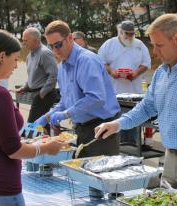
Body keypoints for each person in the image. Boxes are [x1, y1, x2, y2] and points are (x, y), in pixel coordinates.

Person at [95, 14, 177, 200]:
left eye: (158, 45)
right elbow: (146, 108)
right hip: (169, 158)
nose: (154, 52)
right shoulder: (161, 73)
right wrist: (117, 124)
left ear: (176, 39)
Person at [0, 29, 67, 206]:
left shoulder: (43, 54)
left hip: (42, 96)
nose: (16, 65)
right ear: (2, 56)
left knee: (32, 128)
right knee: (32, 128)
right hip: (3, 187)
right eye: (15, 59)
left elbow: (3, 137)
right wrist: (44, 148)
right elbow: (12, 150)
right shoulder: (0, 95)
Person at [35, 20, 121, 158]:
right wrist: (47, 116)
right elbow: (66, 100)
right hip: (81, 129)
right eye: (51, 46)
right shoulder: (63, 66)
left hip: (102, 129)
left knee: (99, 176)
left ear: (69, 38)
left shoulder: (87, 61)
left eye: (58, 45)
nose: (56, 51)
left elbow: (95, 98)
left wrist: (65, 114)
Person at [98, 20, 151, 146]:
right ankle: (116, 147)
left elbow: (146, 63)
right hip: (114, 91)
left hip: (134, 91)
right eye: (127, 33)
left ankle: (132, 147)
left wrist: (136, 73)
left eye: (132, 34)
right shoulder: (109, 44)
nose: (130, 36)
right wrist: (111, 71)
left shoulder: (139, 44)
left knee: (132, 123)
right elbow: (100, 62)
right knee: (115, 122)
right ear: (120, 32)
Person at [16, 27, 58, 129]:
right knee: (42, 125)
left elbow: (54, 75)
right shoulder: (29, 56)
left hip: (45, 94)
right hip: (37, 94)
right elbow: (33, 77)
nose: (23, 42)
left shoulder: (44, 53)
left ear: (35, 40)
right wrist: (25, 87)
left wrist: (43, 92)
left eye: (25, 40)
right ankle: (51, 142)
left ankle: (33, 143)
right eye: (23, 40)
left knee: (32, 125)